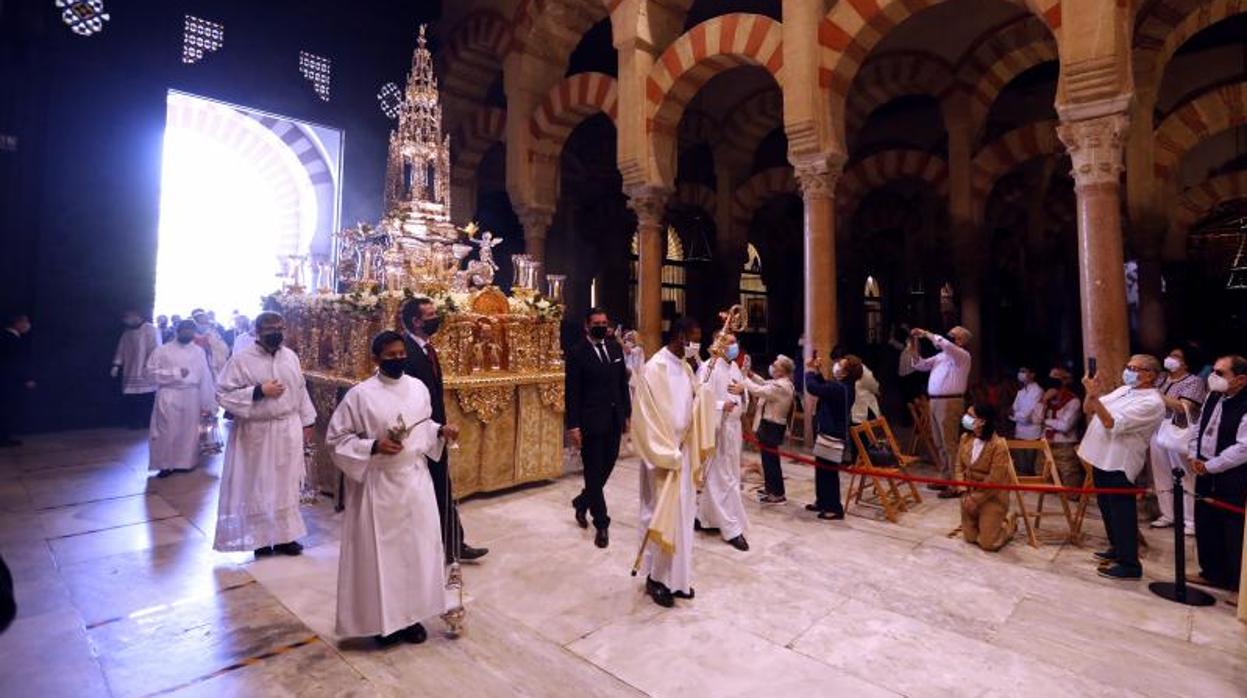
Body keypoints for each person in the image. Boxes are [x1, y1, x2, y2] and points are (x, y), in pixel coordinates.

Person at [327, 331, 456, 646]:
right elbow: (336, 439)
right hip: (379, 485)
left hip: (415, 481)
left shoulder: (418, 388)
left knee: (418, 551)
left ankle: (412, 616)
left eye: (402, 353)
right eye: (391, 355)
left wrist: (440, 430)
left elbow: (422, 426)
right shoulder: (360, 395)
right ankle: (383, 622)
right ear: (376, 358)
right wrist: (372, 446)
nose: (398, 359)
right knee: (382, 557)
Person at [213, 312, 317, 557]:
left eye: (279, 327)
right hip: (257, 431)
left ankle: (285, 537)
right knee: (258, 484)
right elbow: (222, 393)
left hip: (287, 427)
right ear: (257, 331)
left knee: (286, 482)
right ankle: (260, 539)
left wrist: (307, 421)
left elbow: (300, 390)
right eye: (270, 328)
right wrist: (258, 391)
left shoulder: (290, 356)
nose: (276, 332)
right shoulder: (241, 360)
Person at [632, 316, 714, 607]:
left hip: (684, 454)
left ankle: (678, 579)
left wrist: (702, 390)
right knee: (660, 515)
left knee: (682, 518)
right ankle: (656, 578)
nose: (696, 345)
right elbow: (645, 420)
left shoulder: (685, 367)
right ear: (679, 336)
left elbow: (694, 407)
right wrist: (668, 453)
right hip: (664, 457)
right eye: (693, 338)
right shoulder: (655, 369)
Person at [400, 298, 488, 562]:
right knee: (429, 490)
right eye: (430, 315)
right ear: (416, 321)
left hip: (435, 428)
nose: (435, 318)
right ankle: (440, 546)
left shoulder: (427, 349)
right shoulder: (406, 351)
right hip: (420, 432)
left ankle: (452, 544)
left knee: (442, 487)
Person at [1078, 354, 1166, 580]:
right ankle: (1116, 548)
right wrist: (1092, 392)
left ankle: (1129, 563)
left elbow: (1111, 423)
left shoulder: (1152, 402)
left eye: (1134, 368)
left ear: (1150, 375)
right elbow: (1089, 409)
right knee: (1107, 507)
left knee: (1122, 511)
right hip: (1101, 456)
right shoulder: (1124, 390)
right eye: (1127, 366)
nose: (1128, 371)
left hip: (1119, 461)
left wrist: (1095, 397)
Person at [564, 308, 631, 549]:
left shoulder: (614, 349)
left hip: (613, 419)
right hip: (590, 420)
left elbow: (621, 384)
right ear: (587, 326)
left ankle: (582, 502)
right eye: (596, 323)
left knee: (608, 465)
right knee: (593, 471)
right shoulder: (577, 353)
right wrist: (573, 425)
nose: (601, 326)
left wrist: (626, 414)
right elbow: (572, 392)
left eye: (604, 322)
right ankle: (601, 523)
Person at [1188, 355, 1247, 600]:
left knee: (1232, 529)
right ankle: (1211, 572)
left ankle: (1237, 586)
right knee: (1205, 521)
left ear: (1241, 379)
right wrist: (1193, 455)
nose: (1214, 376)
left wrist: (1212, 466)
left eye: (1221, 373)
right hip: (1203, 467)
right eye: (1214, 370)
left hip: (1231, 475)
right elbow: (1199, 427)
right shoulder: (1214, 396)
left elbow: (1243, 448)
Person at [695, 331, 749, 550]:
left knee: (730, 475)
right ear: (719, 344)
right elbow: (698, 397)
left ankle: (706, 518)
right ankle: (731, 528)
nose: (735, 346)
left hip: (733, 430)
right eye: (730, 342)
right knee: (721, 478)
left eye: (736, 342)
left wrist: (742, 393)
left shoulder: (733, 366)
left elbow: (741, 391)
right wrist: (719, 405)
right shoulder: (708, 368)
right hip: (718, 429)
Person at [145, 320, 216, 477]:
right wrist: (174, 373)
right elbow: (150, 373)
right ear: (178, 331)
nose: (187, 334)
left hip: (192, 394)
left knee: (190, 430)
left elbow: (205, 377)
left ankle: (185, 462)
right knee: (167, 430)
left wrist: (209, 402)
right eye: (184, 330)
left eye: (191, 331)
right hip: (169, 394)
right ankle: (165, 465)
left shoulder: (199, 351)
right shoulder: (162, 350)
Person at [909, 326, 973, 497]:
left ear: (960, 340)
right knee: (939, 441)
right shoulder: (941, 357)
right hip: (935, 402)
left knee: (949, 443)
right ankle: (945, 476)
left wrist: (926, 334)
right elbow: (920, 365)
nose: (948, 337)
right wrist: (915, 342)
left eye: (953, 335)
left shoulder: (962, 356)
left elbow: (944, 343)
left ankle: (955, 483)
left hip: (950, 401)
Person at [1149, 347, 1206, 532]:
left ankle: (1190, 521)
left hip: (1178, 431)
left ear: (1186, 362)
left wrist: (1155, 393)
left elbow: (1183, 407)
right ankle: (1168, 514)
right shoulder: (1161, 378)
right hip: (1157, 429)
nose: (1170, 358)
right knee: (1161, 473)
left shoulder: (1194, 381)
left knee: (1184, 475)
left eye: (1176, 356)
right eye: (1169, 354)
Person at [804, 354, 862, 520]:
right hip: (829, 432)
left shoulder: (840, 388)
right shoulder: (844, 386)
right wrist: (817, 371)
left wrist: (809, 371)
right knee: (821, 469)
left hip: (832, 434)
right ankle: (822, 501)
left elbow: (814, 388)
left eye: (840, 365)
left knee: (828, 472)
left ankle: (834, 508)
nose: (836, 365)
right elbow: (825, 386)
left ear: (845, 372)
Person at [958, 403, 1017, 551]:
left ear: (982, 421)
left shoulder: (998, 445)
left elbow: (994, 478)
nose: (966, 418)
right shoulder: (965, 438)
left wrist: (975, 498)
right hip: (969, 494)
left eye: (971, 416)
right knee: (970, 538)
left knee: (988, 544)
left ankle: (1009, 523)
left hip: (991, 497)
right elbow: (958, 467)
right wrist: (963, 491)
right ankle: (984, 524)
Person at [738, 354, 795, 504]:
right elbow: (763, 383)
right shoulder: (781, 383)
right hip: (771, 425)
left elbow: (758, 390)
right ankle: (771, 488)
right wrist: (750, 374)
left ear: (783, 370)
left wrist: (743, 378)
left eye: (776, 366)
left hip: (772, 426)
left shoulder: (781, 386)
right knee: (767, 459)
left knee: (771, 462)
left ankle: (777, 494)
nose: (773, 367)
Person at [1035, 367, 1084, 494]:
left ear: (1065, 381)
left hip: (1064, 446)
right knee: (1044, 484)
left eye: (1056, 378)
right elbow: (1035, 419)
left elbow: (1064, 426)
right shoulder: (1046, 398)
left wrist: (1045, 422)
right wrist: (1043, 401)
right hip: (1045, 443)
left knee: (1070, 483)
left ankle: (1072, 511)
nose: (1052, 382)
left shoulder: (1073, 401)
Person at [111, 310, 161, 429]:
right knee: (132, 398)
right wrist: (116, 365)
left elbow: (156, 349)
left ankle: (147, 422)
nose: (126, 320)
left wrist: (150, 364)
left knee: (146, 397)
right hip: (130, 368)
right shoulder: (127, 333)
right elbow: (121, 349)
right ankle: (134, 422)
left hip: (146, 369)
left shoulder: (151, 330)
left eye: (128, 317)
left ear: (137, 316)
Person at [0, 314, 35, 447]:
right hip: (7, 381)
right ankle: (3, 438)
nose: (27, 325)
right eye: (25, 322)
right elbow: (14, 363)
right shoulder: (11, 339)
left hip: (6, 379)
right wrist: (26, 378)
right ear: (17, 323)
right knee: (5, 410)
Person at [1009, 366, 1045, 475]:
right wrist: (1017, 415)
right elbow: (1011, 412)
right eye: (1020, 371)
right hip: (1019, 433)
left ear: (1032, 374)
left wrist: (1016, 415)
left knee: (1030, 468)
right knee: (1020, 468)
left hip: (1032, 435)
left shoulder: (1037, 391)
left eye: (1024, 371)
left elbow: (1025, 416)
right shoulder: (1020, 392)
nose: (1021, 374)